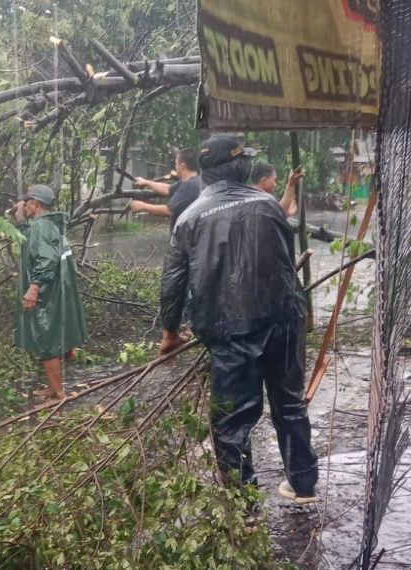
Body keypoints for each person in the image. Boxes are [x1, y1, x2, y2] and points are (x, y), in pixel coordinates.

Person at [158, 134, 319, 505]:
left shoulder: (188, 219)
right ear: (239, 167)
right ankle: (303, 485)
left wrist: (170, 332)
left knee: (231, 422)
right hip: (283, 323)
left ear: (206, 175)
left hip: (229, 332)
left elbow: (172, 284)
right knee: (290, 402)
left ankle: (243, 509)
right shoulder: (269, 206)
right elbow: (283, 270)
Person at [14, 184, 88, 402]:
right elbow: (32, 242)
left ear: (35, 205)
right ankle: (53, 388)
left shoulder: (42, 227)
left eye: (27, 203)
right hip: (55, 291)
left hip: (48, 293)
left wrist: (34, 287)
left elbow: (46, 259)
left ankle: (58, 395)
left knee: (47, 340)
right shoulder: (46, 225)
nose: (24, 207)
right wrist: (20, 220)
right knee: (51, 339)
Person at [129, 149, 202, 231]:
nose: (175, 167)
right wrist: (147, 182)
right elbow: (168, 189)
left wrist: (143, 206)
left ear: (182, 166)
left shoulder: (190, 185)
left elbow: (169, 211)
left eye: (176, 164)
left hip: (188, 237)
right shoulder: (193, 181)